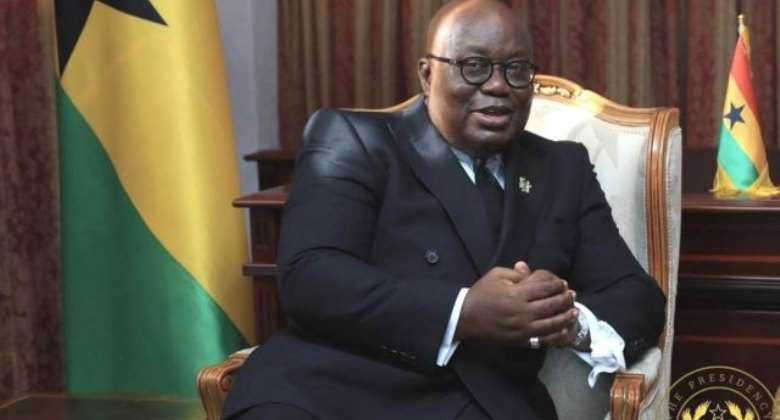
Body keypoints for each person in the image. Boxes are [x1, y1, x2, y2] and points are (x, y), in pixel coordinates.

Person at [224, 0, 665, 419]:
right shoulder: (354, 139)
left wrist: (568, 322)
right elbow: (310, 276)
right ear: (426, 74)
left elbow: (637, 295)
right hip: (330, 384)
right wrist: (463, 311)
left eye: (516, 69)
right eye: (473, 66)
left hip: (482, 397)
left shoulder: (562, 168)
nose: (497, 85)